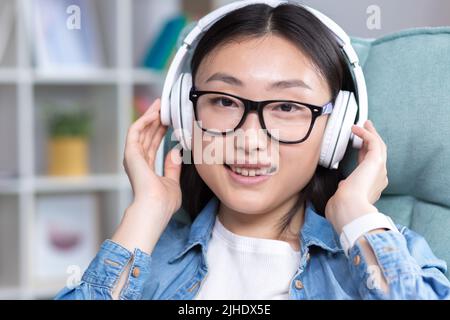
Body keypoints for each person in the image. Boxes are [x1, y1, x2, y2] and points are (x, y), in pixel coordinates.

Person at [55, 2, 450, 300]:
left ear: (335, 131)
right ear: (184, 114)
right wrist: (144, 215)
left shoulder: (387, 253)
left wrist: (356, 214)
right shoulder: (148, 260)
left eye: (287, 107)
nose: (250, 139)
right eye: (224, 101)